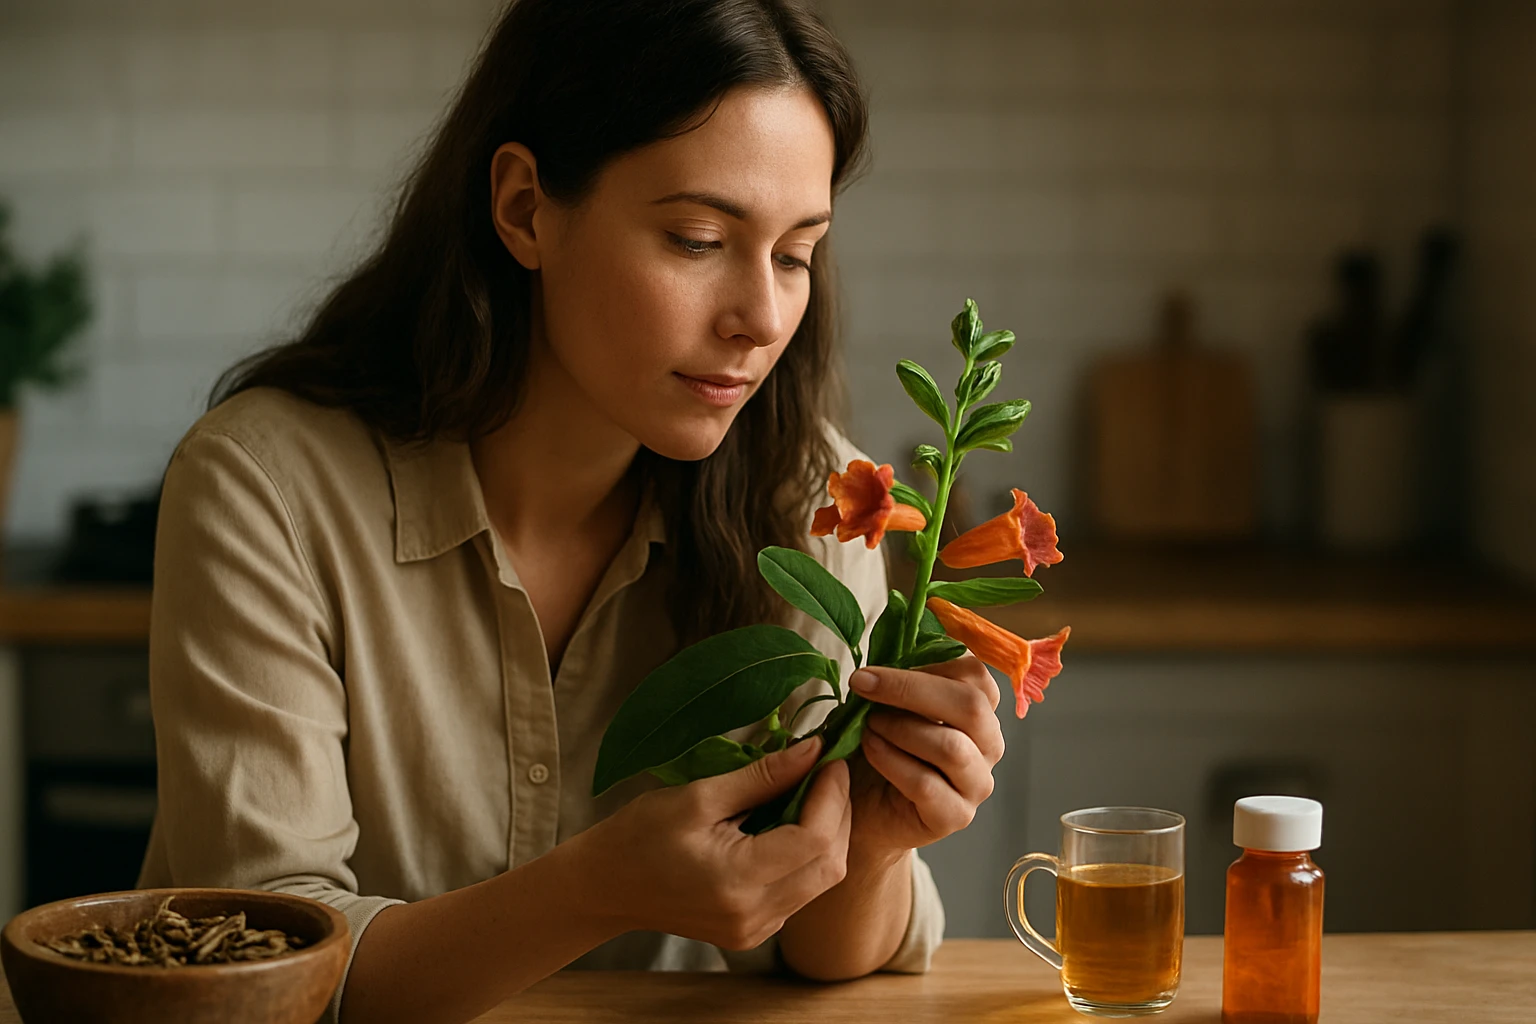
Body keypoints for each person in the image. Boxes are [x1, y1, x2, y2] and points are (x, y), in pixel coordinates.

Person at [136, 2, 1007, 1022]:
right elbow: (259, 971)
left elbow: (820, 958)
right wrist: (597, 886)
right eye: (697, 238)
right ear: (523, 208)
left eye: (794, 252)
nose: (761, 317)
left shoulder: (816, 499)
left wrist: (876, 836)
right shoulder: (265, 486)